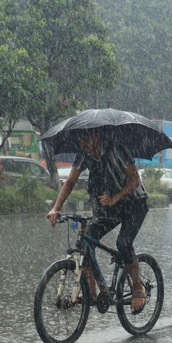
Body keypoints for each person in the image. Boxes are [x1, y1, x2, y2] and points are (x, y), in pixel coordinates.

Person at [47, 128, 149, 314]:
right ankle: (91, 293)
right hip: (112, 206)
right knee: (85, 241)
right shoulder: (84, 155)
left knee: (124, 244)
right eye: (80, 141)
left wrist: (115, 198)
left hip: (135, 203)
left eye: (86, 140)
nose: (83, 145)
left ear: (97, 136)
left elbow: (135, 179)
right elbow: (70, 181)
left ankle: (137, 288)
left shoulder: (117, 149)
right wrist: (56, 208)